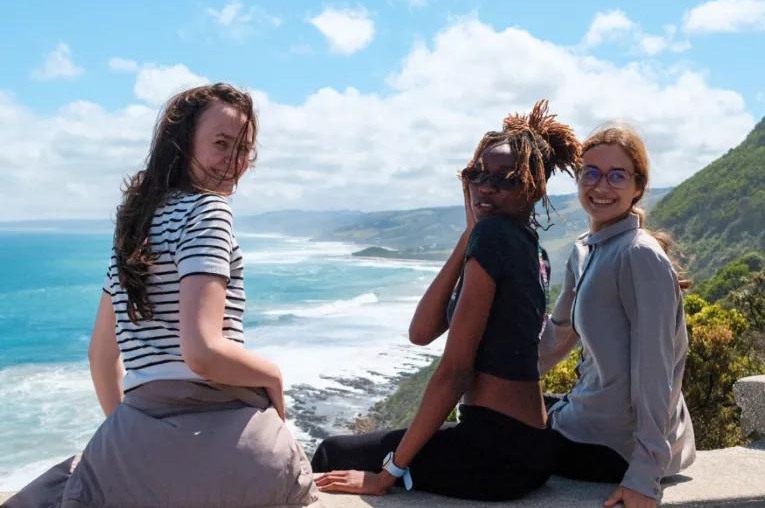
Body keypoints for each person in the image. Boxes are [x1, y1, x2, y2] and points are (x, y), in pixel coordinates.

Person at [5, 84, 320, 508]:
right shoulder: (209, 211)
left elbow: (101, 356)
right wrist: (273, 376)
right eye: (221, 144)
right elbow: (203, 351)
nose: (234, 162)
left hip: (137, 441)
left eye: (243, 148)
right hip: (242, 450)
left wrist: (133, 441)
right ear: (182, 144)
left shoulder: (134, 228)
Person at [311, 101, 581, 501]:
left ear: (533, 189)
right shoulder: (523, 245)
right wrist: (468, 232)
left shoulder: (496, 240)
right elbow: (421, 332)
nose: (486, 187)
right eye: (477, 175)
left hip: (495, 452)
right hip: (522, 446)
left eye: (504, 180)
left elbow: (453, 373)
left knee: (331, 454)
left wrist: (389, 473)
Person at [539, 124, 696, 508]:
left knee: (485, 445)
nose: (601, 186)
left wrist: (644, 477)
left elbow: (657, 370)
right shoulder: (586, 250)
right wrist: (493, 379)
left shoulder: (638, 255)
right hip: (590, 418)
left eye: (617, 175)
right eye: (590, 172)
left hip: (613, 446)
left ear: (638, 187)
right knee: (492, 412)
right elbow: (558, 337)